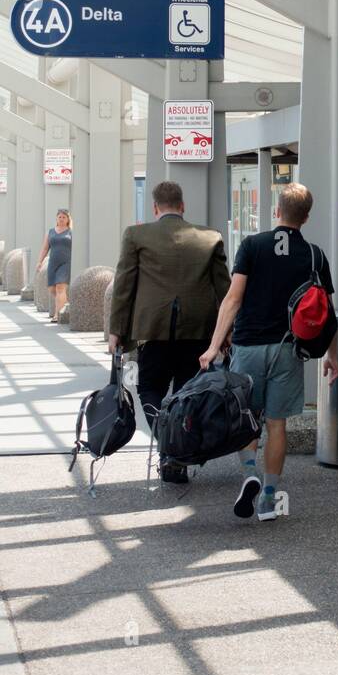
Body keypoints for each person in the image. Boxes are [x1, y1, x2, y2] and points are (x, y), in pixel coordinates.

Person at [199, 183, 338, 522]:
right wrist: (331, 355)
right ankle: (268, 497)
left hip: (247, 347)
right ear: (306, 217)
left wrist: (214, 346)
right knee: (276, 424)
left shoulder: (251, 246)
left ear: (276, 212)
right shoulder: (315, 255)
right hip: (288, 349)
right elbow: (327, 312)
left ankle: (249, 474)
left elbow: (232, 300)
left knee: (248, 419)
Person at [108, 180, 230, 484]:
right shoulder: (210, 237)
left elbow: (124, 286)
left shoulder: (137, 235)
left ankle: (167, 441)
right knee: (186, 394)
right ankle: (177, 449)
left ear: (154, 207)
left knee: (149, 388)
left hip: (154, 330)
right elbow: (224, 289)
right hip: (198, 331)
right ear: (183, 206)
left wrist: (116, 331)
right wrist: (227, 332)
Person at [37, 209, 72, 322]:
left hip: (66, 262)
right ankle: (66, 305)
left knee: (60, 287)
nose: (61, 219)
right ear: (56, 218)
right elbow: (45, 248)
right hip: (53, 263)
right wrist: (39, 262)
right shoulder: (50, 232)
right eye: (60, 217)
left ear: (68, 219)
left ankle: (58, 315)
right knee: (52, 289)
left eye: (64, 217)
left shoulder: (71, 231)